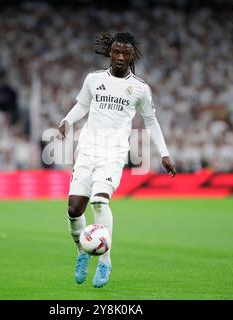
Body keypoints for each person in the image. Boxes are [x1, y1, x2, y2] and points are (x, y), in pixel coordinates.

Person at [57, 32, 177, 288]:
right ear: (110, 53)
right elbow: (82, 105)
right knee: (73, 210)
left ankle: (105, 262)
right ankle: (82, 252)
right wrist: (67, 120)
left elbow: (151, 121)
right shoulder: (93, 80)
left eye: (125, 53)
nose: (120, 57)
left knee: (100, 202)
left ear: (133, 55)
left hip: (113, 153)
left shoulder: (140, 89)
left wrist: (164, 153)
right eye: (116, 52)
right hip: (87, 150)